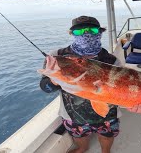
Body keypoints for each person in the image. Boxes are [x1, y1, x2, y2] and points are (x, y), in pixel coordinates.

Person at [39, 15, 123, 153]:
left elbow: (120, 88)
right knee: (78, 134)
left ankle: (105, 151)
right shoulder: (57, 57)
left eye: (92, 30)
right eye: (79, 31)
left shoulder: (111, 60)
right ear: (72, 34)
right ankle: (82, 148)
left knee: (106, 134)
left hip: (107, 111)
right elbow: (45, 87)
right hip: (72, 113)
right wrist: (54, 80)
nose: (86, 34)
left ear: (100, 32)